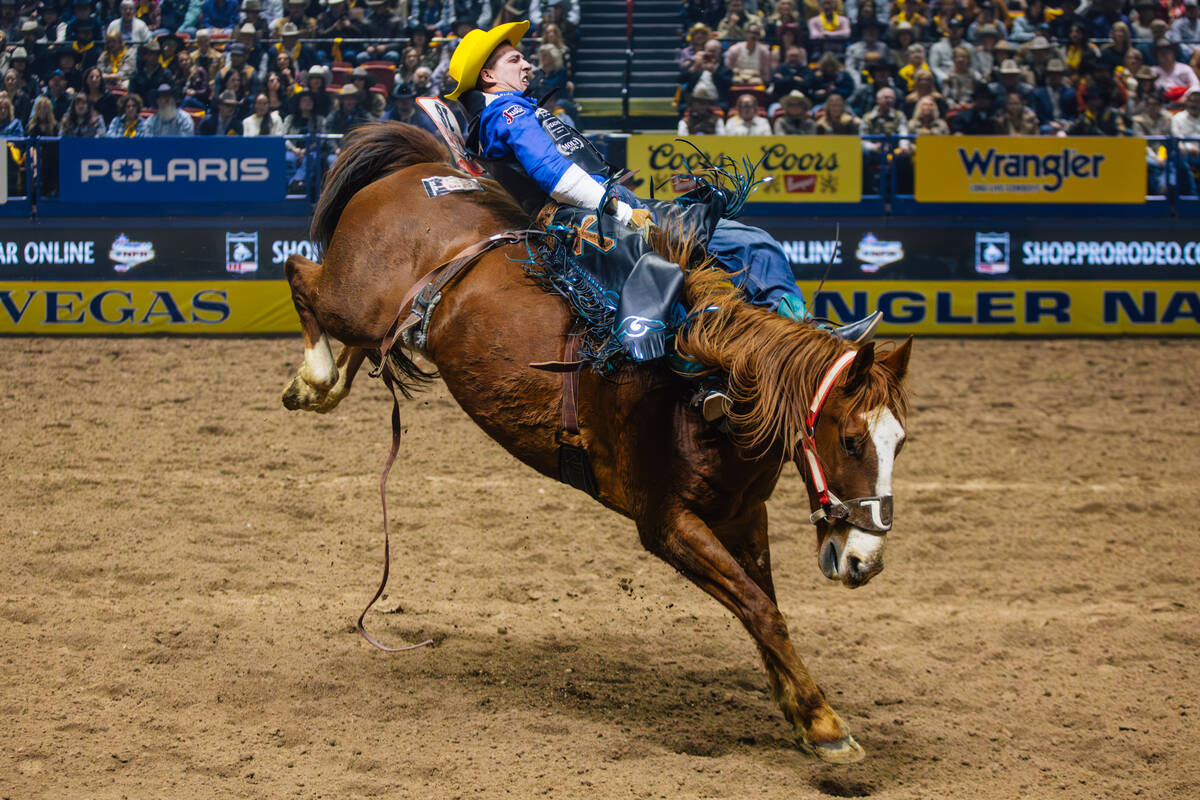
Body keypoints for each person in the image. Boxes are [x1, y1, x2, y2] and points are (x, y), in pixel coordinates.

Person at [445, 21, 880, 377]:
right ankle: (773, 348)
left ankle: (803, 339)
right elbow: (552, 174)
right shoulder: (508, 113)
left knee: (745, 246)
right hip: (588, 217)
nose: (525, 63)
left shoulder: (517, 111)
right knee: (736, 252)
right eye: (514, 58)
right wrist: (616, 207)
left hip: (605, 207)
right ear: (488, 75)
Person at [1170, 89, 1200, 195]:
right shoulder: (1178, 118)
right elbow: (1176, 137)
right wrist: (1187, 147)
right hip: (1185, 153)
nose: (1194, 105)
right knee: (1178, 156)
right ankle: (1192, 194)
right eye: (1192, 101)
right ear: (1187, 102)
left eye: (1197, 102)